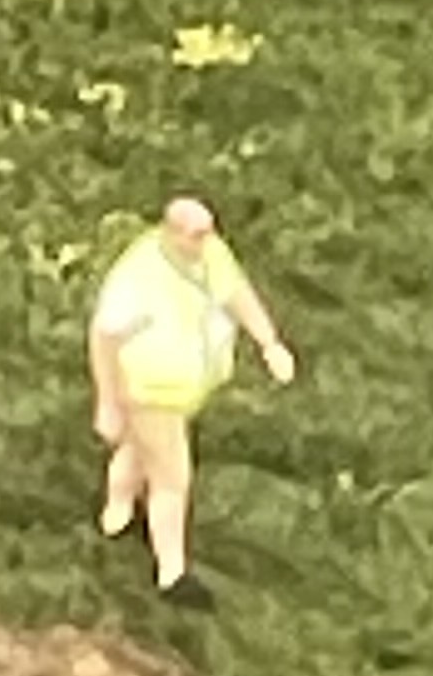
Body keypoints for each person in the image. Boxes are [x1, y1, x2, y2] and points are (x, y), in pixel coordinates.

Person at [87, 192, 293, 610]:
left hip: (184, 389)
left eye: (208, 233)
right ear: (171, 233)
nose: (206, 242)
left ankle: (117, 510)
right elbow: (104, 337)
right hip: (149, 388)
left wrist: (269, 342)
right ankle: (171, 572)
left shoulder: (211, 254)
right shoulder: (138, 278)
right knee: (171, 478)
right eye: (196, 235)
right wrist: (107, 400)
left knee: (139, 449)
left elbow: (237, 293)